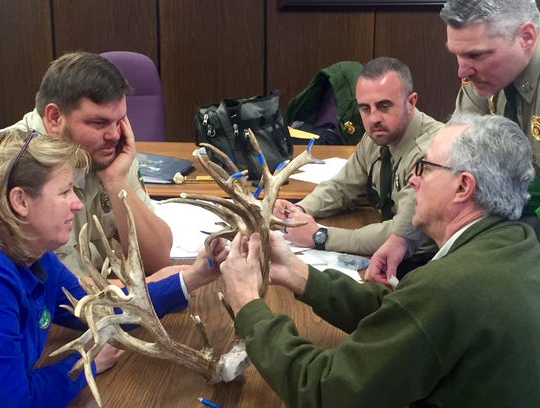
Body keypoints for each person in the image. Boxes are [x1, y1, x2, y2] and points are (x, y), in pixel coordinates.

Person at [220, 114, 540, 407]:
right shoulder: (517, 245)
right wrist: (298, 273)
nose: (413, 181)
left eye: (425, 168)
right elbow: (406, 312)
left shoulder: (450, 288)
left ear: (463, 186)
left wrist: (249, 307)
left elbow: (324, 393)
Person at [0, 129, 227, 407]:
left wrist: (193, 277)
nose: (77, 203)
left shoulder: (38, 258)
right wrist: (85, 363)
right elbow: (14, 401)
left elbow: (103, 310)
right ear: (20, 201)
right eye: (64, 191)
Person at [367, 0, 540, 283]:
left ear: (526, 37)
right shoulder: (483, 82)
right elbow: (441, 164)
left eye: (476, 55)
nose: (462, 71)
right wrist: (402, 238)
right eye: (457, 55)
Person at [0, 51, 173, 276]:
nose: (114, 135)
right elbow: (54, 292)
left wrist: (116, 180)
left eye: (120, 121)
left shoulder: (105, 153)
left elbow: (157, 261)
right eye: (99, 123)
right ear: (54, 118)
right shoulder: (12, 165)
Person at [274, 57, 443, 276]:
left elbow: (399, 234)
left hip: (425, 265)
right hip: (386, 259)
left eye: (384, 106)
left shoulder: (432, 152)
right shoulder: (376, 137)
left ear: (411, 102)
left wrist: (320, 235)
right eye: (365, 108)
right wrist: (301, 211)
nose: (373, 119)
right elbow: (342, 187)